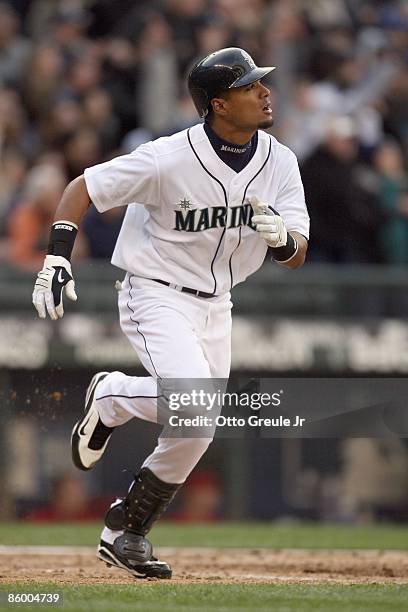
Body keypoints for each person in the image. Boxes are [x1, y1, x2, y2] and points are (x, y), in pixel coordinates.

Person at [32, 47, 309, 579]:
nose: (264, 91)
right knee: (196, 407)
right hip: (155, 290)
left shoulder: (280, 161)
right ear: (219, 104)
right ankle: (112, 396)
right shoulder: (168, 157)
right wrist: (56, 257)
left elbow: (298, 256)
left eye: (261, 83)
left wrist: (282, 242)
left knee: (197, 430)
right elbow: (82, 188)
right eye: (251, 86)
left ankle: (124, 531)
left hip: (219, 301)